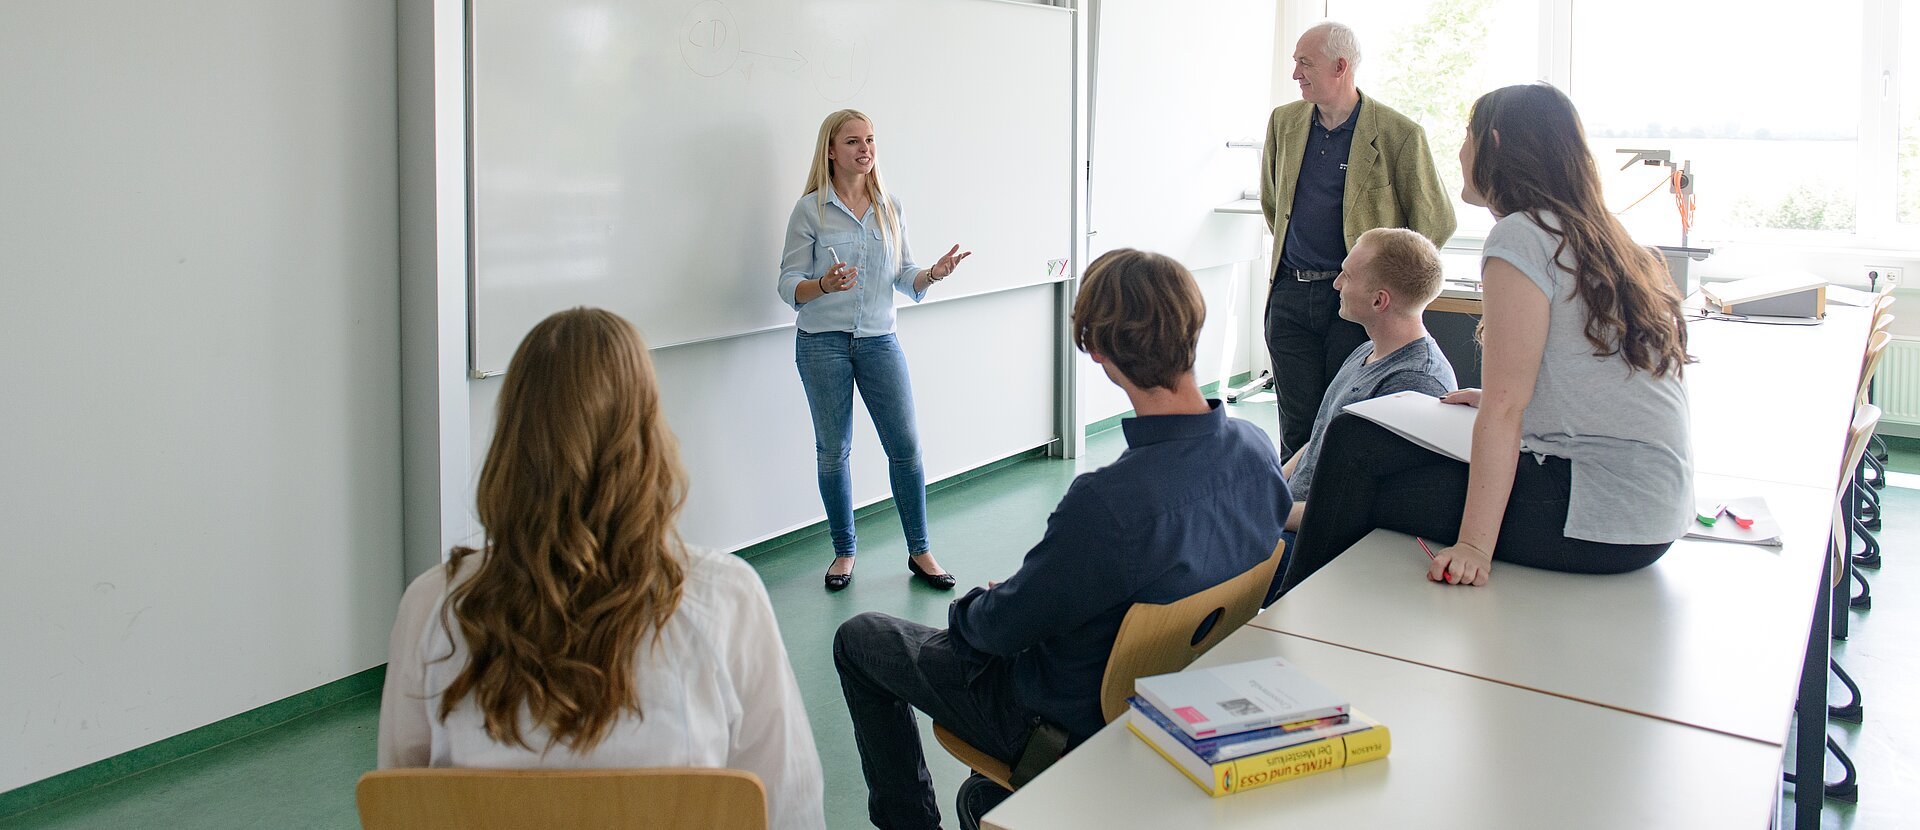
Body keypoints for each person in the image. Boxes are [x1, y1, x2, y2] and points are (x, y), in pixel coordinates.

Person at [832, 250, 1289, 830]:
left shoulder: (1109, 503)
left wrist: (975, 605)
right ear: (1193, 325)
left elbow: (996, 631)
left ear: (1097, 352)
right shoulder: (1255, 449)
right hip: (1166, 696)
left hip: (1063, 718)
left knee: (861, 638)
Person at [376, 308, 825, 830]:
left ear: (512, 445)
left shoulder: (434, 608)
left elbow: (399, 804)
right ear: (647, 440)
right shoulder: (725, 600)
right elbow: (792, 812)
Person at [1278, 82, 1693, 596]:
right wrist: (1513, 402)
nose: (1459, 151)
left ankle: (1287, 615)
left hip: (1599, 511)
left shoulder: (1521, 235)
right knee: (1370, 445)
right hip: (1652, 509)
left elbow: (1503, 409)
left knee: (1357, 454)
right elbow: (1588, 377)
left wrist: (1474, 546)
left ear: (1493, 142)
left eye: (1467, 137)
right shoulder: (1599, 232)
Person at [778, 109, 971, 592]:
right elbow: (787, 285)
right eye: (852, 142)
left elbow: (903, 274)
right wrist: (821, 284)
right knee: (833, 452)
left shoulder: (890, 205)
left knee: (905, 448)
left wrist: (932, 274)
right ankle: (844, 552)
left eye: (870, 140)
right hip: (822, 343)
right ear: (830, 151)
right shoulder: (809, 210)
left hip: (879, 340)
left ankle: (920, 551)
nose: (865, 149)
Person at [1261, 20, 1456, 460]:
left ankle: (1338, 523)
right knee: (1296, 422)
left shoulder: (1398, 134)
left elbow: (1434, 223)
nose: (1295, 74)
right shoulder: (1284, 123)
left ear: (1341, 66)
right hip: (1291, 293)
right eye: (1294, 62)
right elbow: (1275, 206)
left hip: (1357, 301)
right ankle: (1293, 524)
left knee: (1347, 423)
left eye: (1305, 63)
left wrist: (1391, 284)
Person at [1266, 227, 1457, 605]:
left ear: (1379, 300)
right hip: (1289, 519)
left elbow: (1363, 508)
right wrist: (1270, 481)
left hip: (1316, 543)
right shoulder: (1367, 351)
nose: (1335, 283)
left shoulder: (1414, 381)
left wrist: (1267, 510)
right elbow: (1319, 438)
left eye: (1347, 276)